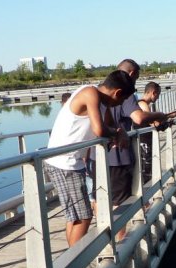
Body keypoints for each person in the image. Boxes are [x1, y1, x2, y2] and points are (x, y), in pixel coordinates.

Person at [44, 70, 135, 249]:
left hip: (71, 162)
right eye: (122, 100)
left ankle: (73, 264)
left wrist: (119, 132)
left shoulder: (102, 103)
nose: (120, 104)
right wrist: (115, 134)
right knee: (83, 216)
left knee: (76, 216)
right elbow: (100, 129)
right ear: (117, 93)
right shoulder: (90, 93)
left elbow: (110, 126)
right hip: (64, 162)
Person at [107, 59, 176, 240]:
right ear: (131, 75)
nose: (135, 83)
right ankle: (120, 245)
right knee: (120, 202)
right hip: (119, 155)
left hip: (102, 156)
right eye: (136, 78)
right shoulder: (126, 93)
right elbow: (138, 118)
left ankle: (116, 241)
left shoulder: (101, 91)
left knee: (109, 199)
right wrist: (160, 116)